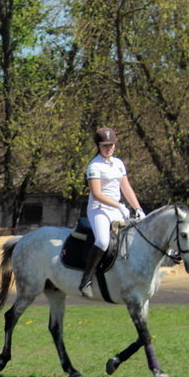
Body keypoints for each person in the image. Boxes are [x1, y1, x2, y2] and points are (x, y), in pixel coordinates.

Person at [81, 127, 144, 297]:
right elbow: (97, 194)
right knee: (102, 241)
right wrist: (119, 206)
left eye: (111, 145)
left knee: (131, 239)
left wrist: (137, 208)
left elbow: (126, 187)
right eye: (104, 146)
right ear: (98, 146)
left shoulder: (118, 163)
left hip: (117, 208)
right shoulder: (94, 166)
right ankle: (86, 279)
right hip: (99, 210)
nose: (108, 149)